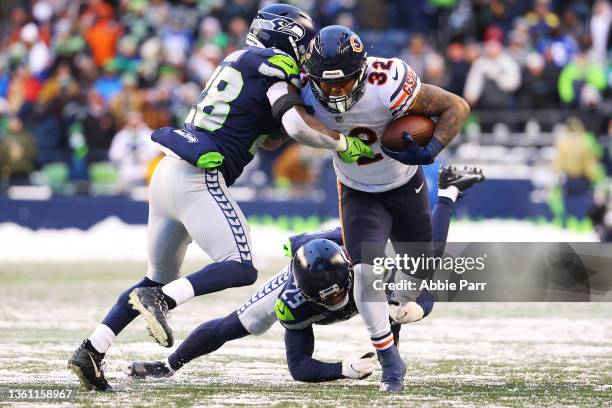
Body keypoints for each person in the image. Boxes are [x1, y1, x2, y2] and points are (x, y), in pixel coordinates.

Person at [68, 5, 373, 392]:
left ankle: (92, 349)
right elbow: (294, 126)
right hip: (199, 175)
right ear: (288, 38)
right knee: (241, 267)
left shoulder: (238, 61)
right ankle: (163, 299)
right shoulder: (275, 66)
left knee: (155, 276)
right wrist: (342, 143)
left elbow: (269, 133)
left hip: (166, 174)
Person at [126, 166, 485, 383]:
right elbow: (298, 366)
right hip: (311, 259)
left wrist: (415, 309)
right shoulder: (293, 298)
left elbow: (426, 292)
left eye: (336, 293)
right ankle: (167, 365)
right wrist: (340, 369)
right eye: (325, 298)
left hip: (352, 246)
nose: (336, 302)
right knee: (235, 324)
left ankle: (449, 190)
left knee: (421, 261)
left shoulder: (370, 266)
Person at [301, 26, 471, 391]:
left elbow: (456, 106)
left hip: (405, 184)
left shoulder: (387, 81)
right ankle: (390, 360)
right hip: (357, 190)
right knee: (365, 274)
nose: (333, 92)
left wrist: (432, 149)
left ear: (361, 71)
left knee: (415, 275)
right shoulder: (301, 90)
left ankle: (449, 196)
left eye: (342, 82)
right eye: (325, 84)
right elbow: (280, 128)